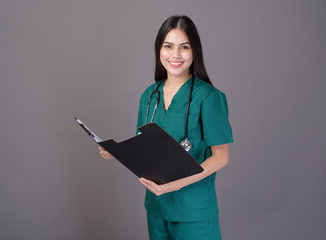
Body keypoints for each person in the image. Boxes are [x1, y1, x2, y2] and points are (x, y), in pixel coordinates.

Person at [99, 15, 233, 240]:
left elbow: (221, 157)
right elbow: (144, 146)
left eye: (184, 47)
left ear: (195, 51)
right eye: (168, 46)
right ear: (159, 49)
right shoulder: (149, 96)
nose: (175, 55)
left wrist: (175, 185)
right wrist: (117, 152)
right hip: (157, 207)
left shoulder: (209, 97)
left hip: (194, 211)